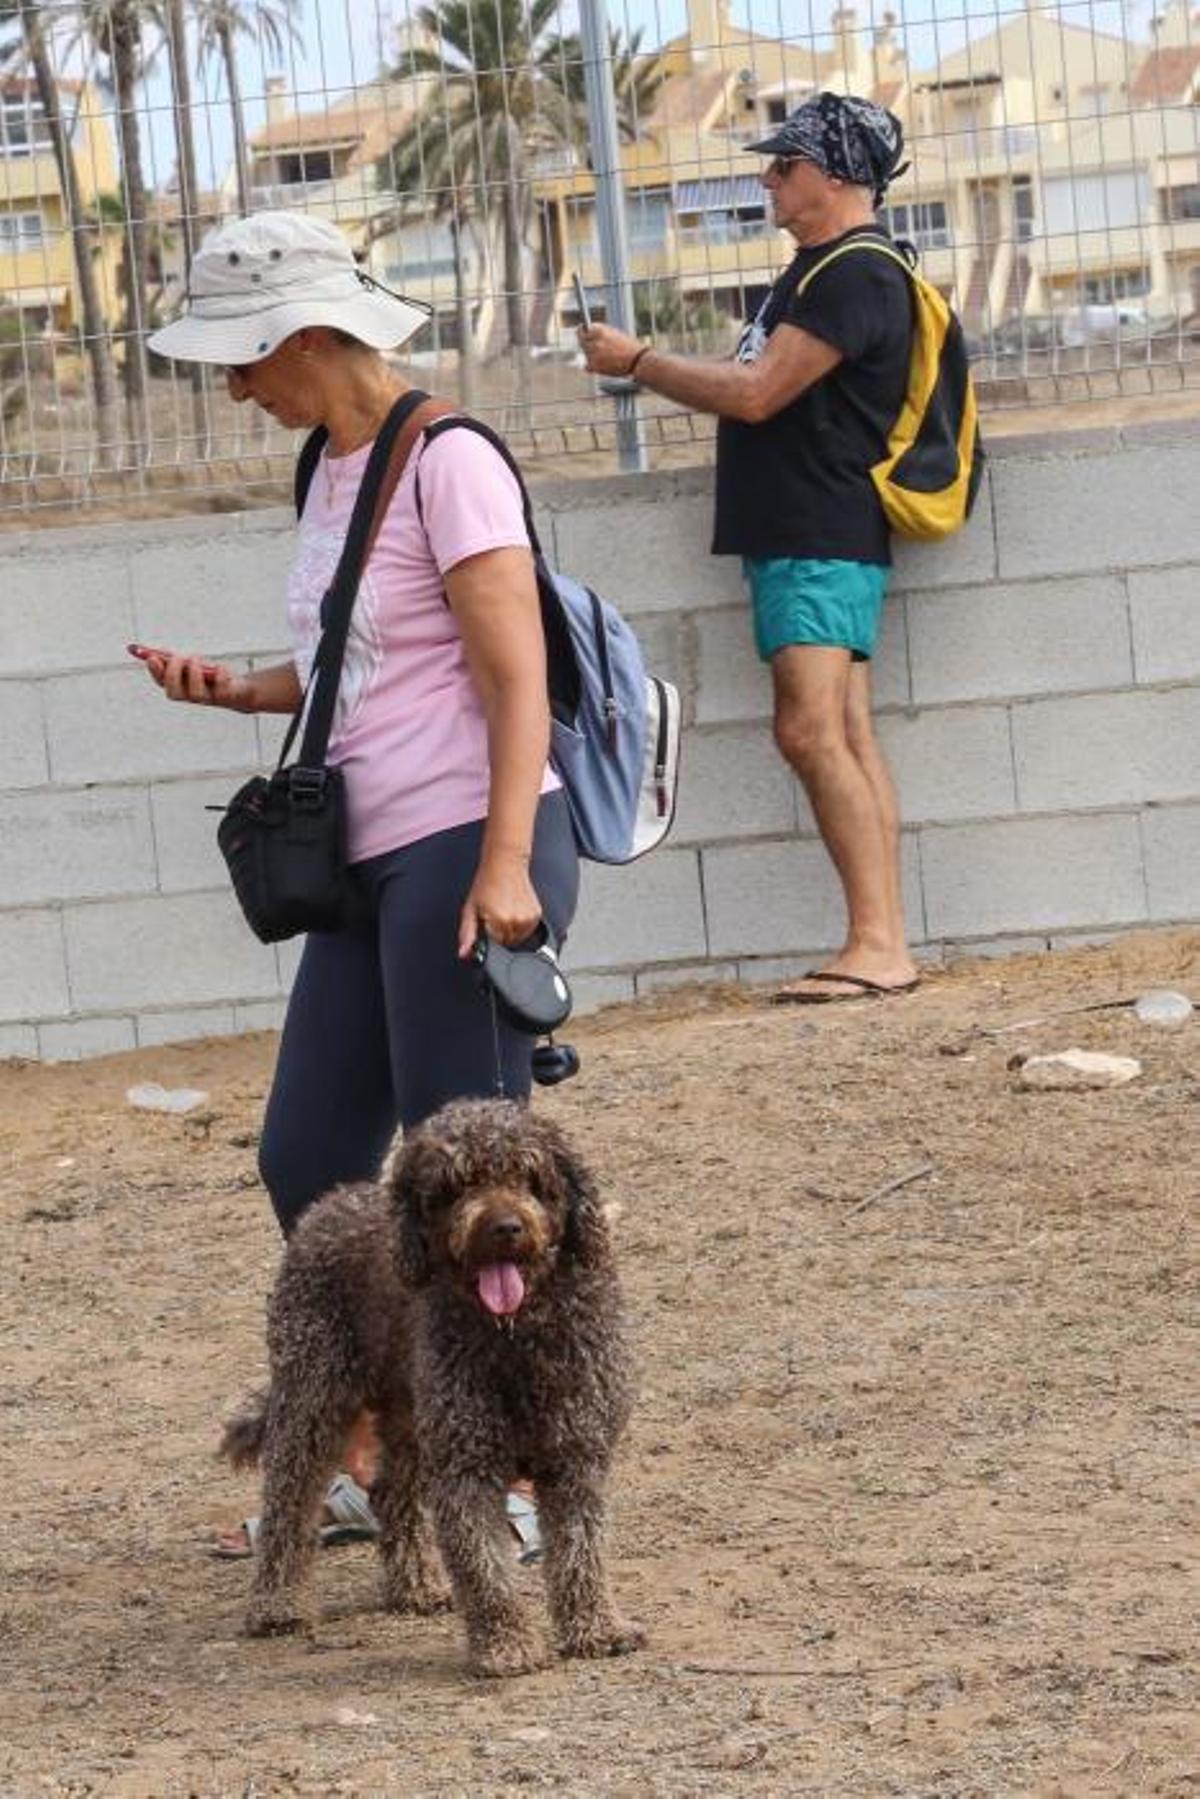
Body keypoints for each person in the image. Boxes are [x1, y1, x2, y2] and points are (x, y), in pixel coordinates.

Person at [140, 210, 576, 1557]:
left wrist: (506, 860)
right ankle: (386, 1439)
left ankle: (503, 1479)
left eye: (241, 358)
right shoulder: (326, 471)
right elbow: (356, 662)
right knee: (311, 1155)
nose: (232, 387)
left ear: (310, 335)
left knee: (481, 1185)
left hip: (467, 841)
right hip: (371, 855)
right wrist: (237, 689)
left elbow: (518, 679)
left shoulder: (450, 462)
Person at [582, 91, 920, 1004]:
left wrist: (639, 362)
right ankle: (882, 940)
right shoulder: (819, 271)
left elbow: (759, 392)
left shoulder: (853, 274)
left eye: (786, 163)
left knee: (810, 729)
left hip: (819, 533)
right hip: (813, 533)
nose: (767, 176)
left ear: (840, 176)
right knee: (840, 729)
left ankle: (879, 945)